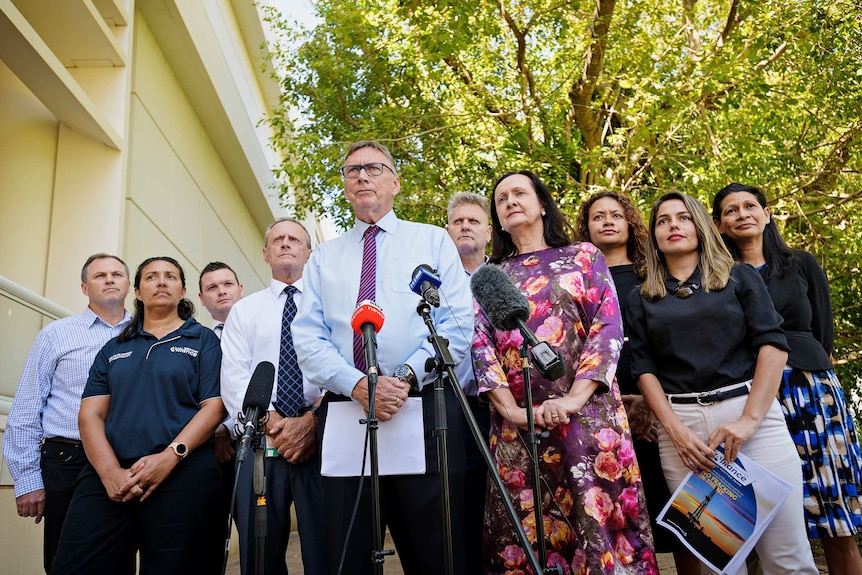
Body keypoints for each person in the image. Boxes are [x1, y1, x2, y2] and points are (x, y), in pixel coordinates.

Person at [292, 140, 474, 575]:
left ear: (395, 182)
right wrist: (355, 383)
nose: (361, 176)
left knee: (436, 551)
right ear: (344, 186)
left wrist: (406, 378)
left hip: (425, 407)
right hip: (346, 408)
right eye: (351, 170)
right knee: (348, 553)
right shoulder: (323, 258)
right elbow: (308, 336)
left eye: (373, 168)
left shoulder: (432, 241)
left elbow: (455, 324)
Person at [472, 171, 658, 574]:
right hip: (517, 428)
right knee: (528, 535)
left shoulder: (585, 256)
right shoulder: (490, 276)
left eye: (519, 192)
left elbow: (606, 328)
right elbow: (480, 347)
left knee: (599, 530)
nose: (509, 201)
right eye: (501, 198)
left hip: (587, 418)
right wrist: (512, 411)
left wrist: (572, 399)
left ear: (542, 204)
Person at [627, 191, 819, 574]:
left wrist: (749, 421)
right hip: (684, 434)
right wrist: (674, 431)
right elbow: (644, 367)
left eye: (683, 217)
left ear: (699, 225)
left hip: (753, 421)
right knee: (720, 564)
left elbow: (773, 346)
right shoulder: (640, 296)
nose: (673, 226)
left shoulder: (738, 276)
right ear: (653, 234)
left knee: (787, 559)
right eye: (663, 220)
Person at [713, 183, 862, 575]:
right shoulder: (719, 278)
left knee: (835, 517)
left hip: (811, 394)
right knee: (758, 516)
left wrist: (803, 365)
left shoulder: (801, 263)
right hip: (751, 399)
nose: (742, 214)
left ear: (766, 214)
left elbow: (821, 332)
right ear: (718, 225)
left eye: (750, 206)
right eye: (731, 210)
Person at [49, 256, 225, 574]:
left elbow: (213, 406)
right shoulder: (113, 348)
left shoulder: (204, 341)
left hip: (182, 473)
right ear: (138, 292)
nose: (160, 281)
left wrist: (171, 456)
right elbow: (90, 415)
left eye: (170, 276)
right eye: (151, 277)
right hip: (111, 476)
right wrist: (109, 473)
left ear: (183, 290)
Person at [576, 191, 698, 573]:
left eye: (616, 215)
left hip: (661, 410)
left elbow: (673, 342)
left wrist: (649, 401)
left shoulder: (655, 277)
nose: (608, 221)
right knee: (616, 519)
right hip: (598, 410)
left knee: (683, 520)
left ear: (631, 223)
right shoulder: (578, 280)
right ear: (586, 228)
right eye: (598, 217)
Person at [4, 254, 132, 573]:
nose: (110, 279)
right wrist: (27, 479)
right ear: (84, 287)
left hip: (128, 458)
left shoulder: (148, 335)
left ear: (129, 284)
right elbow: (27, 406)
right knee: (66, 560)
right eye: (100, 275)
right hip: (67, 460)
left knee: (120, 557)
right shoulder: (56, 334)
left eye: (117, 273)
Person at [220, 218, 324, 575]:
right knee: (259, 554)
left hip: (323, 439)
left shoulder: (330, 306)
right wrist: (271, 424)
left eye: (294, 239)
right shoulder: (244, 310)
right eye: (277, 239)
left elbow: (342, 368)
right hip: (260, 443)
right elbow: (233, 377)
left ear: (309, 253)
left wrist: (313, 422)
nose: (285, 244)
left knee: (328, 549)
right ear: (265, 253)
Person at [446, 191, 492, 574]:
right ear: (448, 230)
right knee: (463, 503)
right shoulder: (436, 284)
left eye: (473, 221)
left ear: (489, 232)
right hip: (456, 408)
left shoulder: (506, 277)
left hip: (504, 408)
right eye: (458, 221)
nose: (465, 226)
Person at [198, 261, 245, 567]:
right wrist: (213, 434)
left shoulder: (261, 329)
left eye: (227, 284)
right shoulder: (196, 339)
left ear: (240, 290)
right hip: (206, 453)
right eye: (212, 287)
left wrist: (228, 430)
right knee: (206, 542)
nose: (221, 291)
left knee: (257, 539)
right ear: (202, 299)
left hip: (249, 446)